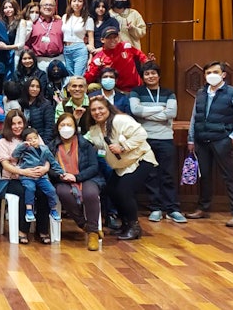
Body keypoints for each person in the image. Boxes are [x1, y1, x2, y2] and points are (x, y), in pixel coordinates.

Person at [185, 61, 233, 227]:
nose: (211, 75)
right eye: (208, 73)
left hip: (222, 140)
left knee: (229, 177)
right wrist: (191, 138)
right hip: (201, 140)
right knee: (204, 176)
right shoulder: (200, 93)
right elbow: (194, 117)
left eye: (215, 72)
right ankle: (203, 208)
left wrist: (231, 137)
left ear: (223, 75)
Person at [87, 96, 157, 240]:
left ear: (108, 109)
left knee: (124, 190)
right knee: (112, 190)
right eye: (93, 110)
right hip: (121, 166)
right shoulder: (94, 129)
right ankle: (125, 224)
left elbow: (142, 134)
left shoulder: (120, 120)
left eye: (101, 108)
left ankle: (134, 227)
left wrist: (123, 147)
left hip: (140, 159)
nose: (97, 112)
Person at [129, 61, 185, 223]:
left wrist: (147, 113)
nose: (150, 76)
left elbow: (172, 112)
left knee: (168, 174)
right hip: (144, 139)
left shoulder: (169, 93)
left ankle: (173, 208)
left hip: (165, 138)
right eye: (147, 74)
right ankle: (155, 208)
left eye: (153, 73)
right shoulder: (136, 92)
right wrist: (161, 109)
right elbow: (135, 111)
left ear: (159, 75)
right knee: (151, 175)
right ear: (142, 77)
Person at [0, 109, 51, 244]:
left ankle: (42, 230)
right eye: (14, 124)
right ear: (8, 125)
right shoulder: (3, 142)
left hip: (36, 176)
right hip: (13, 179)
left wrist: (45, 168)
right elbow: (6, 165)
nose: (17, 126)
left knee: (45, 192)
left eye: (20, 123)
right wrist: (25, 173)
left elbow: (46, 155)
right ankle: (22, 230)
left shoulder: (33, 136)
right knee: (25, 191)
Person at [49, 112, 105, 251]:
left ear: (75, 127)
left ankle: (93, 232)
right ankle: (83, 224)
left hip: (87, 177)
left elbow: (93, 166)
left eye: (69, 125)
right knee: (63, 192)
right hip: (63, 179)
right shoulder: (52, 146)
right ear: (57, 127)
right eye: (63, 125)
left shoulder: (85, 144)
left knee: (90, 194)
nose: (66, 128)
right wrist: (60, 175)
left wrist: (76, 177)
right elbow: (48, 167)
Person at [11, 128, 64, 222]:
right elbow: (15, 155)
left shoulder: (45, 149)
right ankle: (29, 210)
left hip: (41, 176)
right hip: (27, 176)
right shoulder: (25, 149)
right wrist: (23, 145)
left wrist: (61, 172)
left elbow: (52, 161)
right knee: (30, 188)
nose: (33, 141)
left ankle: (53, 209)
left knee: (51, 190)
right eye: (29, 139)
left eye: (35, 138)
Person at [84, 27, 148, 93]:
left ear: (118, 38)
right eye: (109, 38)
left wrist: (147, 61)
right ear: (102, 40)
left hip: (137, 87)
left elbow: (140, 54)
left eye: (115, 37)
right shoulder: (98, 58)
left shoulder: (126, 46)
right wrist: (97, 68)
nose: (112, 40)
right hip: (117, 91)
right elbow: (88, 79)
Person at [25, 0, 65, 71]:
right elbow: (27, 43)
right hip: (40, 60)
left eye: (51, 5)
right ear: (40, 8)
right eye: (45, 5)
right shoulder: (32, 23)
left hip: (59, 59)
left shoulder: (61, 22)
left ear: (55, 8)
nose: (48, 7)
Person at [60, 0, 95, 76]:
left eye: (80, 1)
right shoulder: (65, 17)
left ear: (83, 4)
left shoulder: (88, 19)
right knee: (70, 77)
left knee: (78, 77)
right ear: (71, 3)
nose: (77, 3)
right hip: (66, 49)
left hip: (79, 49)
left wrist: (91, 57)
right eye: (74, 1)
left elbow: (91, 38)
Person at [19, 77, 55, 145]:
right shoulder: (20, 103)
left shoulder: (46, 105)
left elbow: (49, 128)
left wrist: (43, 145)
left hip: (40, 142)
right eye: (32, 86)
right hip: (24, 142)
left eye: (38, 87)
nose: (35, 89)